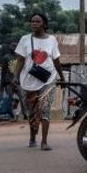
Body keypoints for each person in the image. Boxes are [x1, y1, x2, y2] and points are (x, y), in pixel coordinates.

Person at [13, 13, 65, 150]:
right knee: (32, 110)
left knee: (45, 109)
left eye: (37, 21)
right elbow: (20, 60)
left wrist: (62, 77)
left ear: (44, 24)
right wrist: (15, 76)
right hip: (29, 80)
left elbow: (56, 60)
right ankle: (32, 137)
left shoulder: (52, 40)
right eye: (32, 21)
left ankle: (44, 141)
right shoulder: (25, 39)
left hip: (48, 79)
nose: (34, 24)